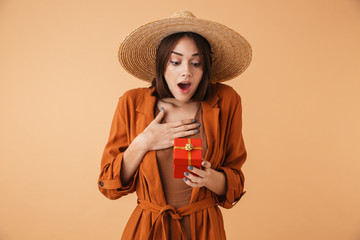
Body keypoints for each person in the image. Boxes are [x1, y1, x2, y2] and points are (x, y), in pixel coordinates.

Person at [98, 10, 252, 240]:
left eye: (196, 63)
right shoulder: (132, 103)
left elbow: (235, 186)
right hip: (149, 229)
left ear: (205, 68)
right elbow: (108, 187)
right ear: (162, 65)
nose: (186, 71)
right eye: (176, 61)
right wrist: (143, 143)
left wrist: (209, 178)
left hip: (204, 230)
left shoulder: (226, 100)